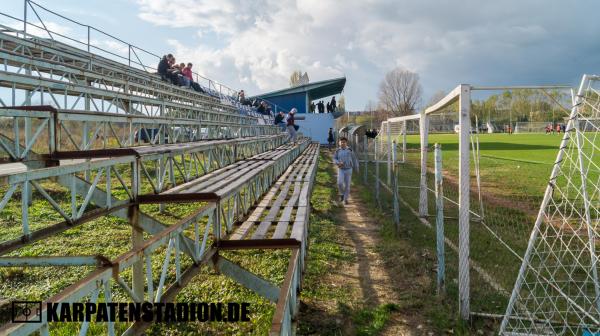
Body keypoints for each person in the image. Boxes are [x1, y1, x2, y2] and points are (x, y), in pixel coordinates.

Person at [333, 137, 359, 205]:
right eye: (341, 142)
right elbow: (334, 158)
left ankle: (345, 199)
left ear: (346, 143)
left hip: (349, 169)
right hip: (341, 169)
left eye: (344, 142)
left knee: (347, 185)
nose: (342, 143)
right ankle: (342, 194)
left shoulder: (349, 150)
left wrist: (356, 168)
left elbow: (354, 159)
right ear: (339, 143)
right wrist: (338, 163)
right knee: (339, 183)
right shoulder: (337, 150)